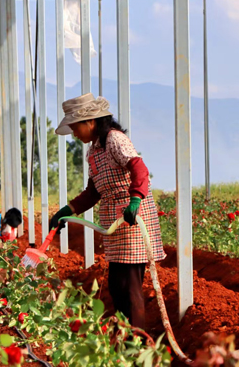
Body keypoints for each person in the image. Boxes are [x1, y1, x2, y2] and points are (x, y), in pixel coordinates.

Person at [48, 93, 165, 329]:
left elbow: (139, 170)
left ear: (90, 121)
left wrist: (134, 201)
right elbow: (93, 192)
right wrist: (67, 211)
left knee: (130, 286)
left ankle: (138, 343)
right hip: (115, 223)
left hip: (132, 218)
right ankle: (125, 337)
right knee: (116, 286)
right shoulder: (94, 150)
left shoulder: (115, 140)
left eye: (75, 127)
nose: (74, 133)